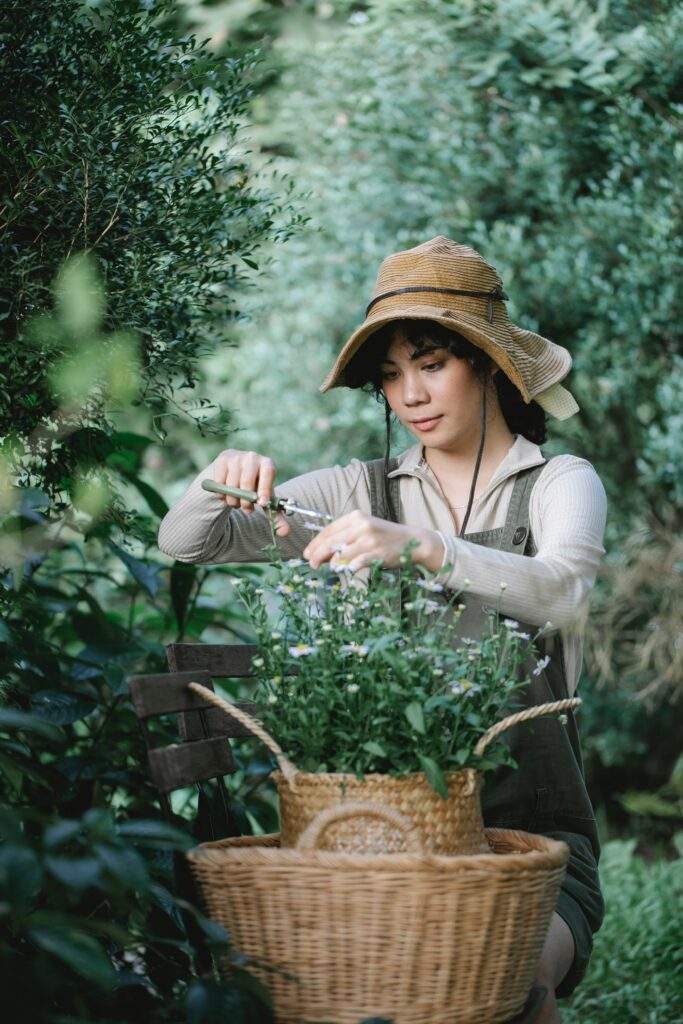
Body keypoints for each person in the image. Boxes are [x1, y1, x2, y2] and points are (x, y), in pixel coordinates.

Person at [158, 236, 607, 1022]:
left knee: (497, 980)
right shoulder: (353, 490)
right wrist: (216, 479)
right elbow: (190, 543)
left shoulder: (557, 481)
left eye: (430, 362)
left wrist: (424, 547)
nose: (409, 394)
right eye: (391, 375)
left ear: (490, 365)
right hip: (382, 838)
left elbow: (564, 592)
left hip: (531, 845)